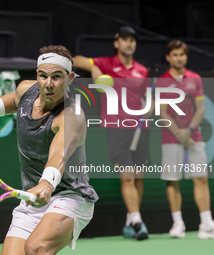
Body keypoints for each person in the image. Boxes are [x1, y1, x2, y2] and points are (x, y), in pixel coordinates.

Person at [0, 45, 99, 254]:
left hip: (70, 196)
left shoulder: (72, 116)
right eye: (43, 76)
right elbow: (15, 99)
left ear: (70, 78)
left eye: (57, 77)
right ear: (37, 75)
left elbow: (58, 156)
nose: (48, 84)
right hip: (31, 195)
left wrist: (46, 184)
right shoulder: (27, 89)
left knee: (36, 248)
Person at [72, 26, 151, 240]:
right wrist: (97, 72)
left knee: (139, 178)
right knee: (127, 177)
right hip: (117, 128)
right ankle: (137, 221)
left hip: (140, 129)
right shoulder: (105, 63)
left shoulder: (142, 70)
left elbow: (147, 97)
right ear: (117, 43)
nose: (129, 43)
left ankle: (130, 220)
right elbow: (76, 60)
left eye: (132, 40)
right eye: (124, 39)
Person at [157, 40, 214, 239]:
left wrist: (188, 130)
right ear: (168, 57)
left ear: (185, 57)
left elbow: (201, 109)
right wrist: (179, 132)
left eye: (182, 54)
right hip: (171, 139)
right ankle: (177, 224)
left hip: (194, 137)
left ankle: (206, 224)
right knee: (173, 181)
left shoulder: (195, 79)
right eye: (175, 54)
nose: (179, 58)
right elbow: (163, 112)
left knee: (201, 179)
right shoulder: (163, 81)